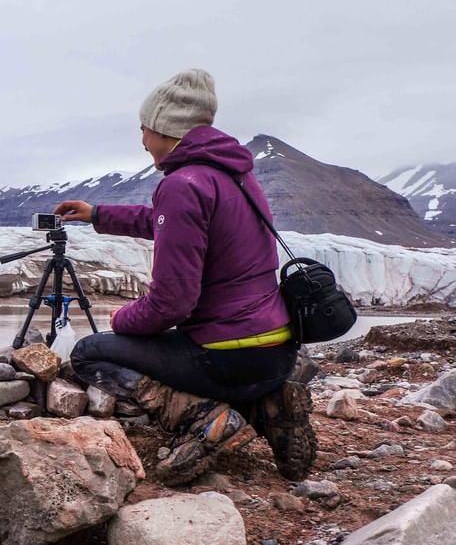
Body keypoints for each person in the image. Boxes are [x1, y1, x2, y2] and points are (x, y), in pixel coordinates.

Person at [53, 69, 316, 485]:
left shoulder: (182, 184)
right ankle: (270, 402)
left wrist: (122, 321)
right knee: (182, 347)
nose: (142, 141)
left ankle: (205, 418)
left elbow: (173, 303)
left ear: (164, 128)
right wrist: (99, 215)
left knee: (90, 352)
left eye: (144, 129)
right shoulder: (235, 174)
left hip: (225, 355)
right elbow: (169, 223)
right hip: (277, 354)